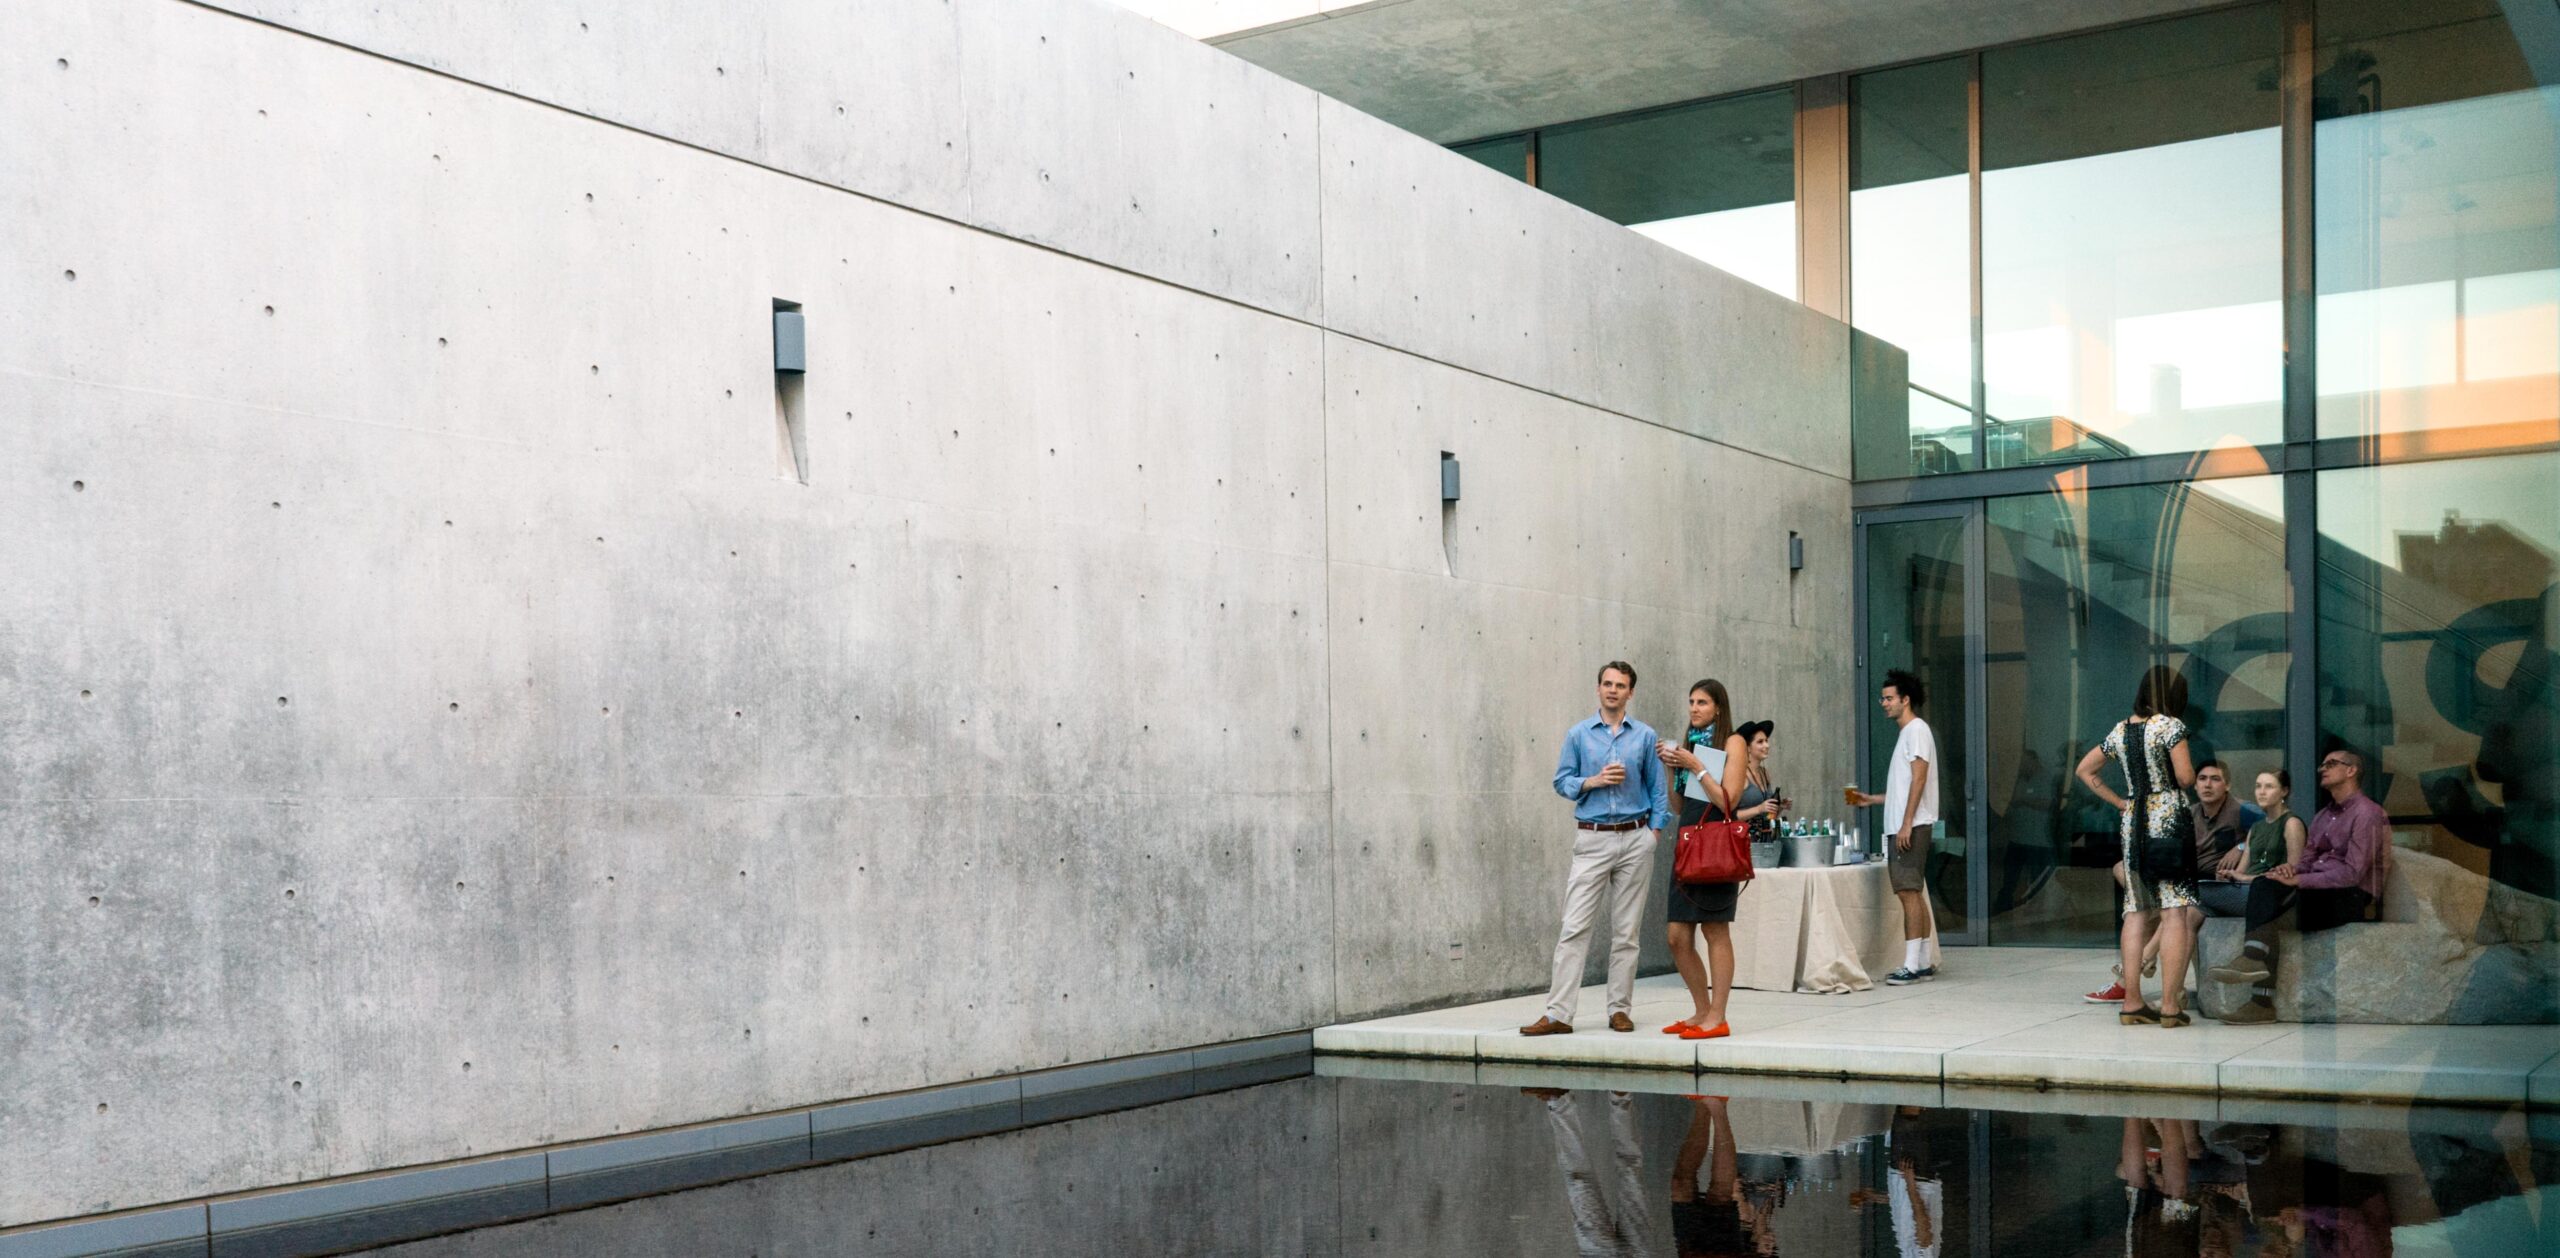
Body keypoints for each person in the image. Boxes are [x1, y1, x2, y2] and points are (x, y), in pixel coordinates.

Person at [1524, 661, 1673, 1036]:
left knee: (1626, 933)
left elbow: (1658, 790)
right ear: (1598, 689)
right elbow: (1561, 782)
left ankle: (1619, 1010)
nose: (1612, 690)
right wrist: (1593, 780)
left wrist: (1654, 832)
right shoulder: (1578, 735)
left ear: (1630, 692)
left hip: (1635, 838)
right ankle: (1559, 1015)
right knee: (1574, 927)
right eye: (1607, 683)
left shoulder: (1643, 736)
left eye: (1620, 685)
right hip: (1592, 838)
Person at [2207, 749, 2389, 1024]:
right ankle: (2256, 971)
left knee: (2268, 904)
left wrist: (2300, 879)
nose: (2322, 769)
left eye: (2331, 764)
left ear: (2351, 771)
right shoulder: (2323, 816)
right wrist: (2289, 870)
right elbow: (2306, 859)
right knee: (2266, 884)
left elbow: (2353, 873)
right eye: (2322, 763)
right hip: (2318, 891)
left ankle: (2260, 994)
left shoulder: (2368, 813)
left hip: (2350, 897)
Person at [2077, 664, 2199, 1028]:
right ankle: (2170, 1007)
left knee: (2135, 911)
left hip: (2133, 824)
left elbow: (2085, 770)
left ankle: (2131, 1003)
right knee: (2174, 910)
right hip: (2168, 819)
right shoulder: (2171, 727)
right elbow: (2185, 777)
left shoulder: (2120, 730)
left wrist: (2120, 802)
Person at [2088, 759, 2259, 1002]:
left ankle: (2137, 972)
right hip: (2185, 881)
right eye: (2202, 779)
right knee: (2122, 870)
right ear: (2195, 786)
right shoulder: (2188, 813)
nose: (2208, 784)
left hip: (2216, 886)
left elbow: (2274, 824)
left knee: (2164, 913)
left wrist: (2242, 846)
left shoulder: (2244, 810)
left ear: (2227, 785)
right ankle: (2148, 978)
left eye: (2215, 779)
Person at [1656, 681, 1750, 1040]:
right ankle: (1700, 1009)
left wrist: (1695, 766)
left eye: (1702, 702)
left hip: (1716, 845)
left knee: (1715, 930)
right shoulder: (1693, 743)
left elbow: (1728, 800)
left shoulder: (1733, 742)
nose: (1694, 708)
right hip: (1688, 842)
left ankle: (1718, 1016)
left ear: (1718, 708)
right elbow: (1680, 806)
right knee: (1677, 936)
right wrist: (1671, 768)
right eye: (1691, 702)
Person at [1847, 669, 1939, 985]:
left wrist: (1906, 824)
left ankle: (1912, 965)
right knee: (1913, 893)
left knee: (1908, 893)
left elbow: (1919, 779)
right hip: (1908, 824)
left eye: (1889, 698)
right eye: (1882, 698)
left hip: (1910, 827)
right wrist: (1872, 800)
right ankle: (1922, 961)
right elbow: (1905, 788)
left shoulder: (1915, 730)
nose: (1883, 703)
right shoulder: (1909, 733)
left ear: (1905, 700)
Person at [2196, 770, 2307, 920]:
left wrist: (2244, 878)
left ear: (2284, 791)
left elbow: (2293, 874)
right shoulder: (2256, 827)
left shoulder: (2291, 823)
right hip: (2245, 890)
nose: (2261, 792)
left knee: (2190, 894)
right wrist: (2228, 876)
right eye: (2258, 786)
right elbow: (2242, 870)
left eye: (2269, 787)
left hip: (2269, 894)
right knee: (2189, 913)